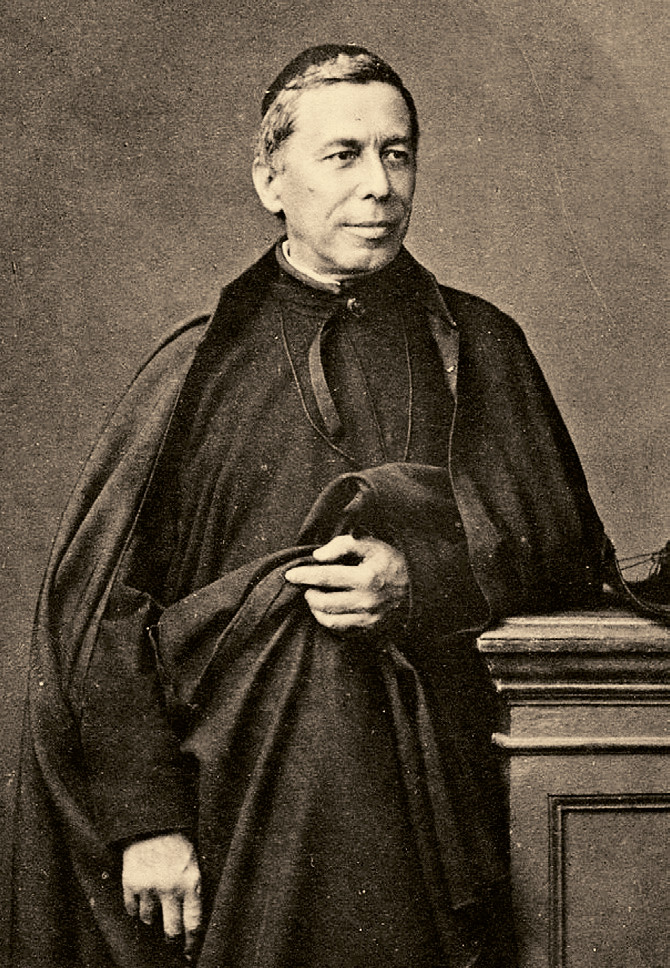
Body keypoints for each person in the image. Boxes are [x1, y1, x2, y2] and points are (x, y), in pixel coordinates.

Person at [9, 45, 611, 968]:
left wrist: (421, 579)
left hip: (437, 808)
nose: (379, 186)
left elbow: (565, 548)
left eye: (397, 154)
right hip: (231, 819)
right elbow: (102, 614)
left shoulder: (483, 345)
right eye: (344, 155)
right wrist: (147, 821)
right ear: (270, 179)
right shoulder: (198, 369)